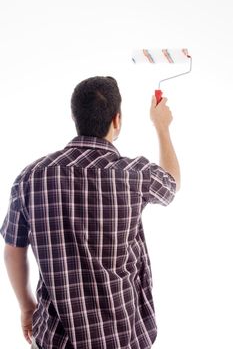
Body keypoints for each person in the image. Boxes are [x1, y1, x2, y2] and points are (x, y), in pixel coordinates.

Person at [0, 76, 180, 349]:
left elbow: (13, 250)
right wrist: (161, 126)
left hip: (55, 339)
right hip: (123, 338)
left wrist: (26, 307)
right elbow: (171, 183)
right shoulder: (134, 175)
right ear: (116, 119)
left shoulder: (31, 177)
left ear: (75, 116)